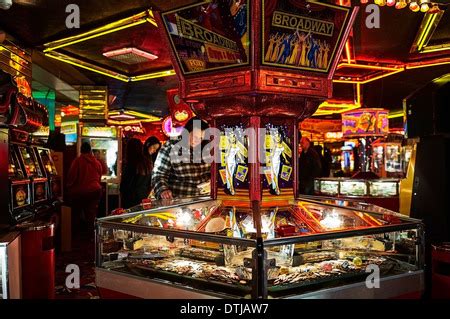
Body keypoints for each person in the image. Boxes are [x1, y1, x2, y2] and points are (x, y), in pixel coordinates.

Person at [152, 117, 211, 199]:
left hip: (204, 200)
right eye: (194, 136)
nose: (196, 141)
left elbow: (214, 173)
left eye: (200, 138)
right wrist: (163, 190)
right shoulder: (171, 146)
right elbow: (159, 174)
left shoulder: (207, 149)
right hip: (178, 200)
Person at [66, 142, 103, 236]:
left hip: (81, 191)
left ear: (81, 150)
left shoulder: (78, 161)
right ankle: (92, 235)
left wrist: (69, 187)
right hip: (95, 191)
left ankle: (76, 236)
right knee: (91, 214)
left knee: (77, 214)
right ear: (90, 150)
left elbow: (72, 176)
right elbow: (99, 177)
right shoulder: (96, 162)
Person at [120, 138, 153, 208]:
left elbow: (125, 185)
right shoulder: (147, 162)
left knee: (131, 218)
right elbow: (150, 182)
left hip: (131, 200)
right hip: (144, 197)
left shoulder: (131, 164)